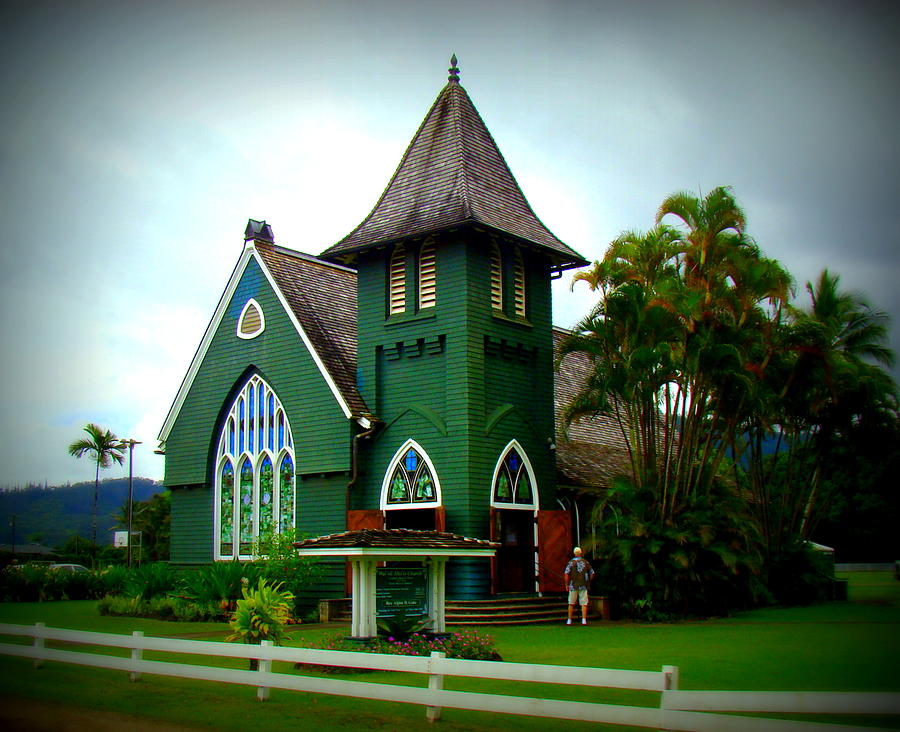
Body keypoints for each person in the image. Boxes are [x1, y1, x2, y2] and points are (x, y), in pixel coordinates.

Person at [564, 546, 594, 625]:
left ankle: (569, 620)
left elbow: (566, 573)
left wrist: (566, 584)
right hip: (583, 584)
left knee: (571, 602)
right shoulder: (585, 562)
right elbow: (592, 573)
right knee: (584, 603)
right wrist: (588, 580)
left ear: (574, 553)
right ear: (581, 553)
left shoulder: (571, 562)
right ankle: (584, 620)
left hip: (573, 585)